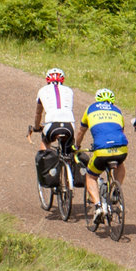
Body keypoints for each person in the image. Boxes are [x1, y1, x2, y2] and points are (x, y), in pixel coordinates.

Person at [79, 88, 134, 221]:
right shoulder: (117, 111)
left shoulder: (90, 109)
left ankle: (98, 207)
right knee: (120, 164)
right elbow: (120, 130)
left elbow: (81, 131)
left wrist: (77, 146)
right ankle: (116, 189)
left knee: (91, 176)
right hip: (121, 148)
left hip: (102, 150)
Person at [28, 69, 79, 197]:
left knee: (45, 142)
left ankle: (48, 171)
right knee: (68, 149)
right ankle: (69, 180)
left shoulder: (42, 91)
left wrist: (36, 127)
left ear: (47, 80)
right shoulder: (69, 90)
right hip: (69, 125)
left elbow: (38, 113)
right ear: (63, 80)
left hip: (52, 124)